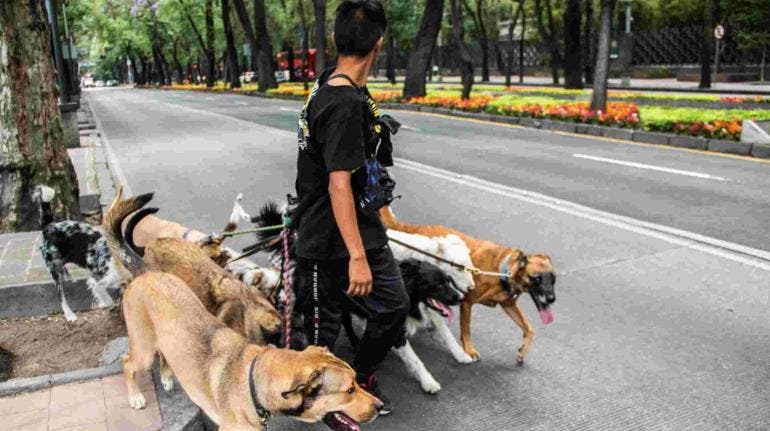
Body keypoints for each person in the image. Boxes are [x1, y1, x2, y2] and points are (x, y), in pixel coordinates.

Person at [292, 0, 407, 416]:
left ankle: (357, 379)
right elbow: (338, 183)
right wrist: (357, 256)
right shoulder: (341, 102)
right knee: (323, 330)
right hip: (329, 236)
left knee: (393, 305)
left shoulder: (337, 84)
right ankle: (327, 407)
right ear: (380, 43)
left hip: (358, 223)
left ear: (335, 40)